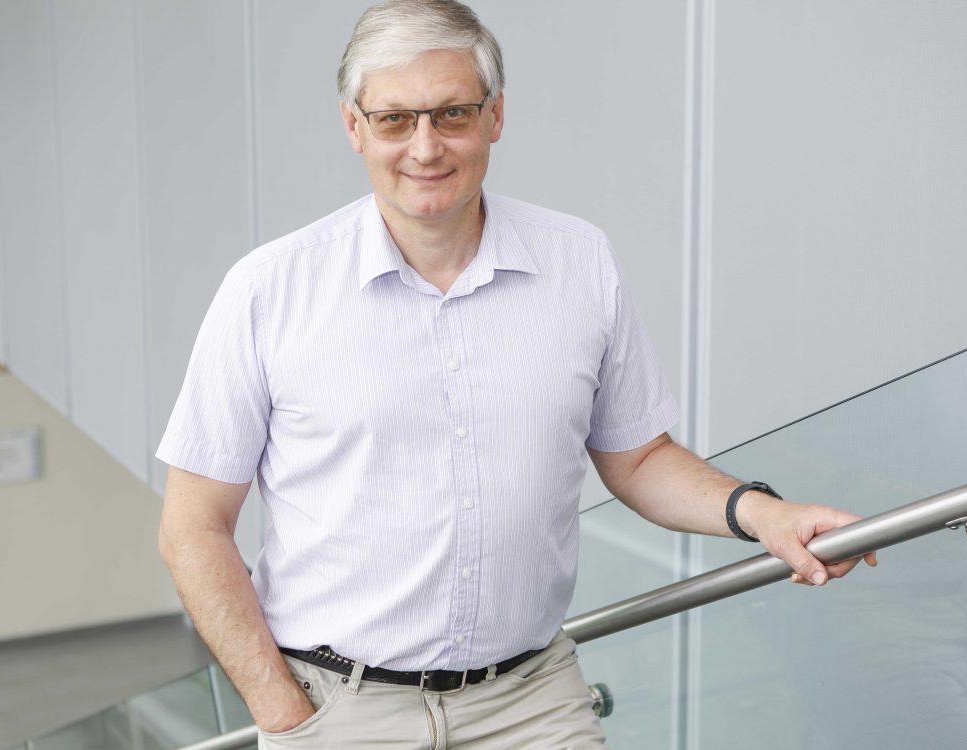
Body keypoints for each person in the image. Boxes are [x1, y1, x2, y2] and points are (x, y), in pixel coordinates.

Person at [156, 1, 877, 747]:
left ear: (495, 117)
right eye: (396, 119)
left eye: (453, 114)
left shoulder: (579, 263)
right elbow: (192, 528)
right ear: (354, 126)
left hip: (532, 706)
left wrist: (765, 514)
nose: (426, 146)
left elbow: (638, 459)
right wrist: (283, 713)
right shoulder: (268, 291)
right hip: (341, 712)